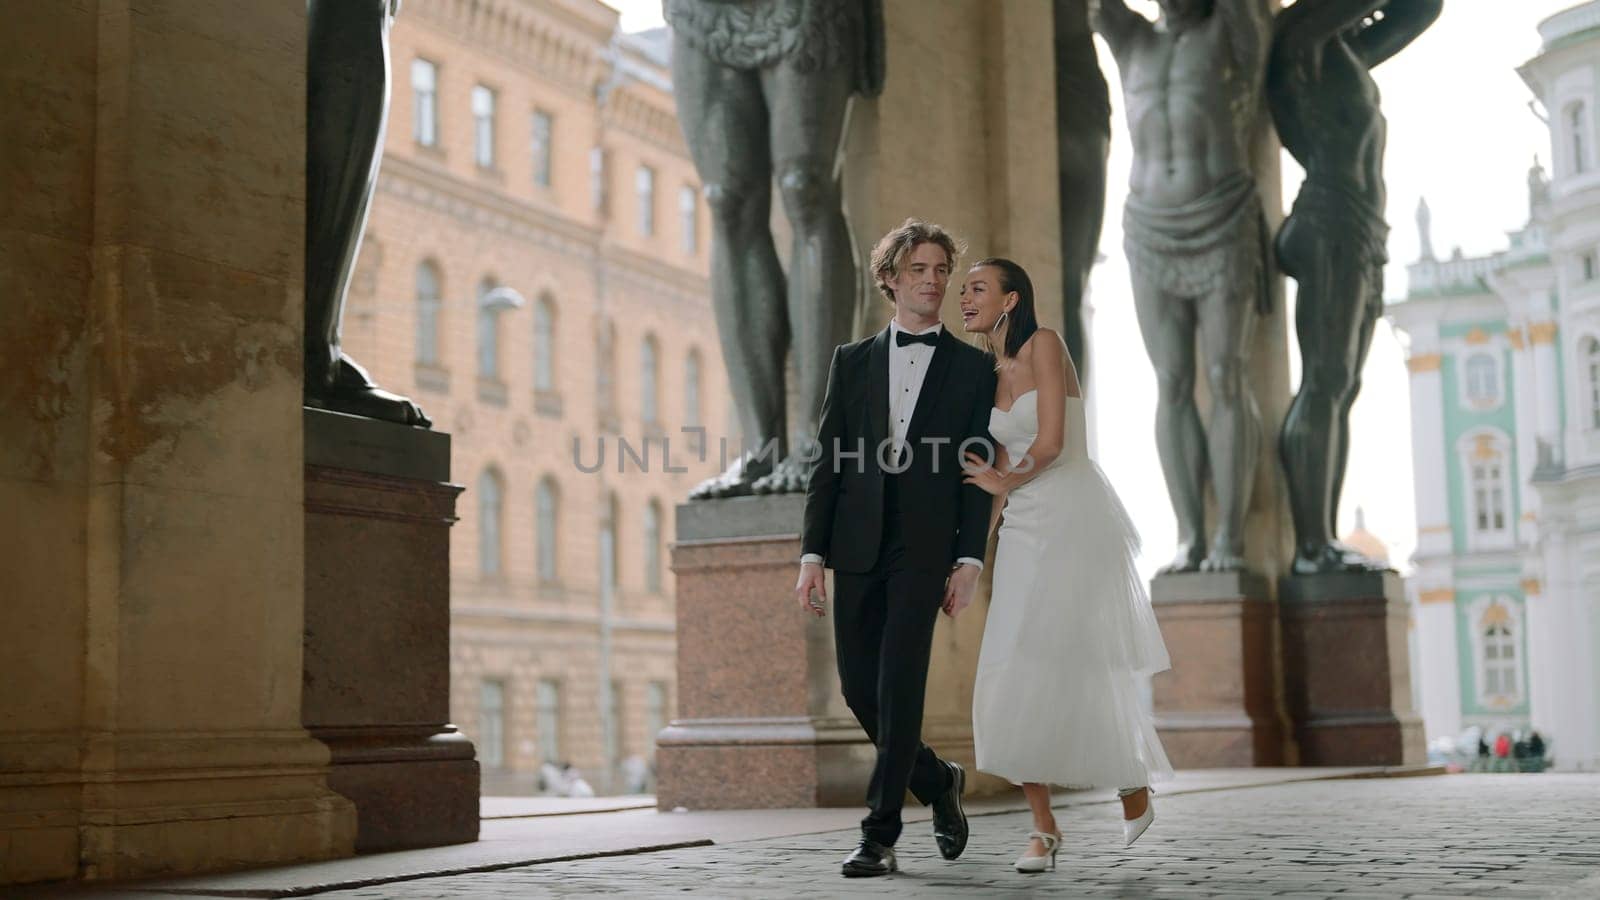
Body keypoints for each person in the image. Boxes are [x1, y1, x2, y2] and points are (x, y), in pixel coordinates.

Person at [794, 219, 998, 878]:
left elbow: (976, 467)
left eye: (941, 270)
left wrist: (970, 560)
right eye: (919, 270)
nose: (933, 281)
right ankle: (938, 781)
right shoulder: (850, 362)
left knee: (900, 684)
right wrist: (812, 555)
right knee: (861, 691)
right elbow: (830, 463)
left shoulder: (973, 368)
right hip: (856, 544)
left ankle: (878, 834)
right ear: (890, 279)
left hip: (926, 548)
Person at [958, 258, 1173, 873]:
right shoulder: (989, 372)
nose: (964, 298)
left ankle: (1130, 784)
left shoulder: (1045, 344)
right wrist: (974, 553)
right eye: (963, 290)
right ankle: (1044, 828)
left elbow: (1051, 442)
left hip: (1074, 518)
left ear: (1010, 299)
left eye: (976, 288)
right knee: (1007, 664)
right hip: (1024, 525)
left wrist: (1003, 476)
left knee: (1066, 660)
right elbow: (997, 477)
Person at [1094, 0, 1271, 572]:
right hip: (1149, 226)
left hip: (1221, 218)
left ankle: (1231, 539)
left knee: (1226, 374)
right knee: (1170, 381)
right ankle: (1190, 534)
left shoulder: (1232, 29)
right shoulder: (1133, 39)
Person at [1269, 0, 1441, 573]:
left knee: (1343, 387)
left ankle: (1324, 539)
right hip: (1329, 219)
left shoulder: (1344, 52)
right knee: (1325, 382)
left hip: (1363, 229)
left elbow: (1422, 10)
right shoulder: (1299, 37)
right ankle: (1310, 547)